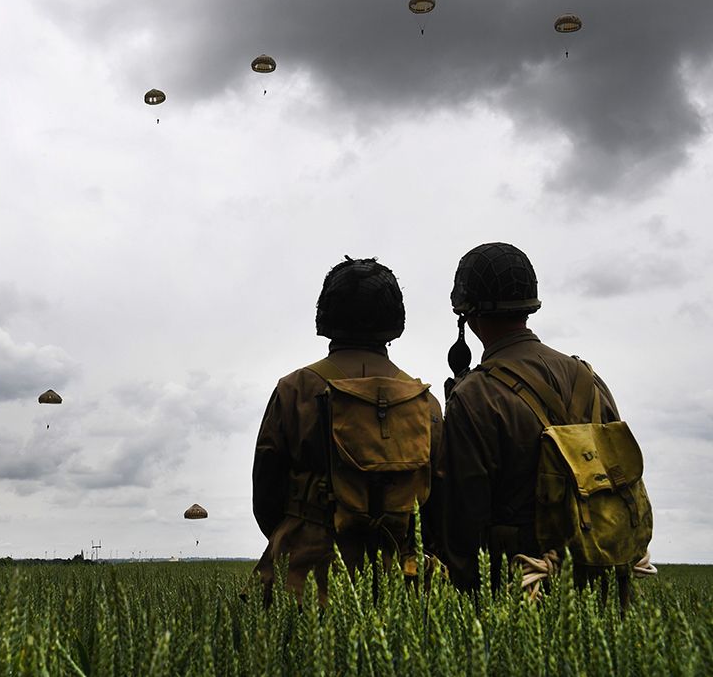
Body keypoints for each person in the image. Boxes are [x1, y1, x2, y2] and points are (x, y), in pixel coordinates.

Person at [434, 242, 628, 594]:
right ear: (529, 304)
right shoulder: (589, 379)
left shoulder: (474, 395)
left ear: (467, 313)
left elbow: (465, 521)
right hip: (601, 579)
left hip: (521, 590)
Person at [252, 257, 443, 604]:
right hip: (399, 586)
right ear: (394, 322)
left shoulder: (294, 390)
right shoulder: (425, 402)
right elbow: (435, 504)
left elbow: (266, 500)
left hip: (304, 581)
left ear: (326, 317)